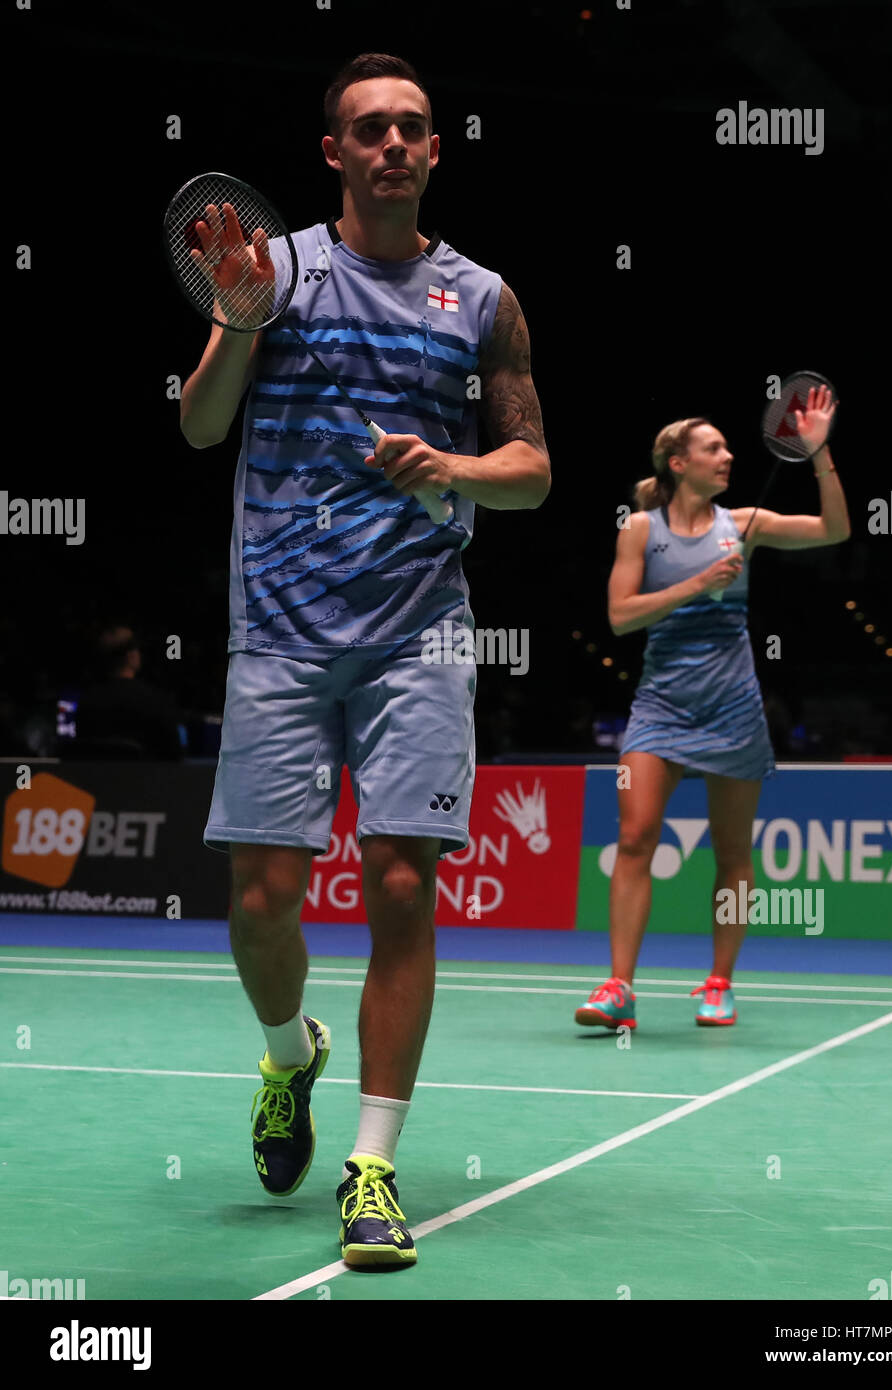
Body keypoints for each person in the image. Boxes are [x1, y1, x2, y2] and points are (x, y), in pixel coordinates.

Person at [179, 53, 550, 1267]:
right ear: (331, 152)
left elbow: (533, 471)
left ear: (436, 150)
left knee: (400, 887)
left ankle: (373, 1167)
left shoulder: (484, 297)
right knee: (260, 905)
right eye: (368, 130)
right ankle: (291, 1055)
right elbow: (201, 422)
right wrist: (235, 321)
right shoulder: (275, 268)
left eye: (413, 128)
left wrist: (450, 467)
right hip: (280, 631)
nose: (392, 144)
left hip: (418, 631)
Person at [575, 386, 848, 1032]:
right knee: (636, 836)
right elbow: (618, 617)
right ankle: (620, 988)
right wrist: (701, 582)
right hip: (661, 707)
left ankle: (719, 983)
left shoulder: (744, 524)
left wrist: (819, 452)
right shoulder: (641, 530)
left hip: (732, 708)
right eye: (713, 447)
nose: (727, 455)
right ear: (679, 463)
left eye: (727, 446)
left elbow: (834, 529)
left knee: (732, 855)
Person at [70, 626, 182, 761]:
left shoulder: (87, 702)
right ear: (131, 656)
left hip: (94, 781)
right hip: (145, 780)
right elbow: (175, 756)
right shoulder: (155, 701)